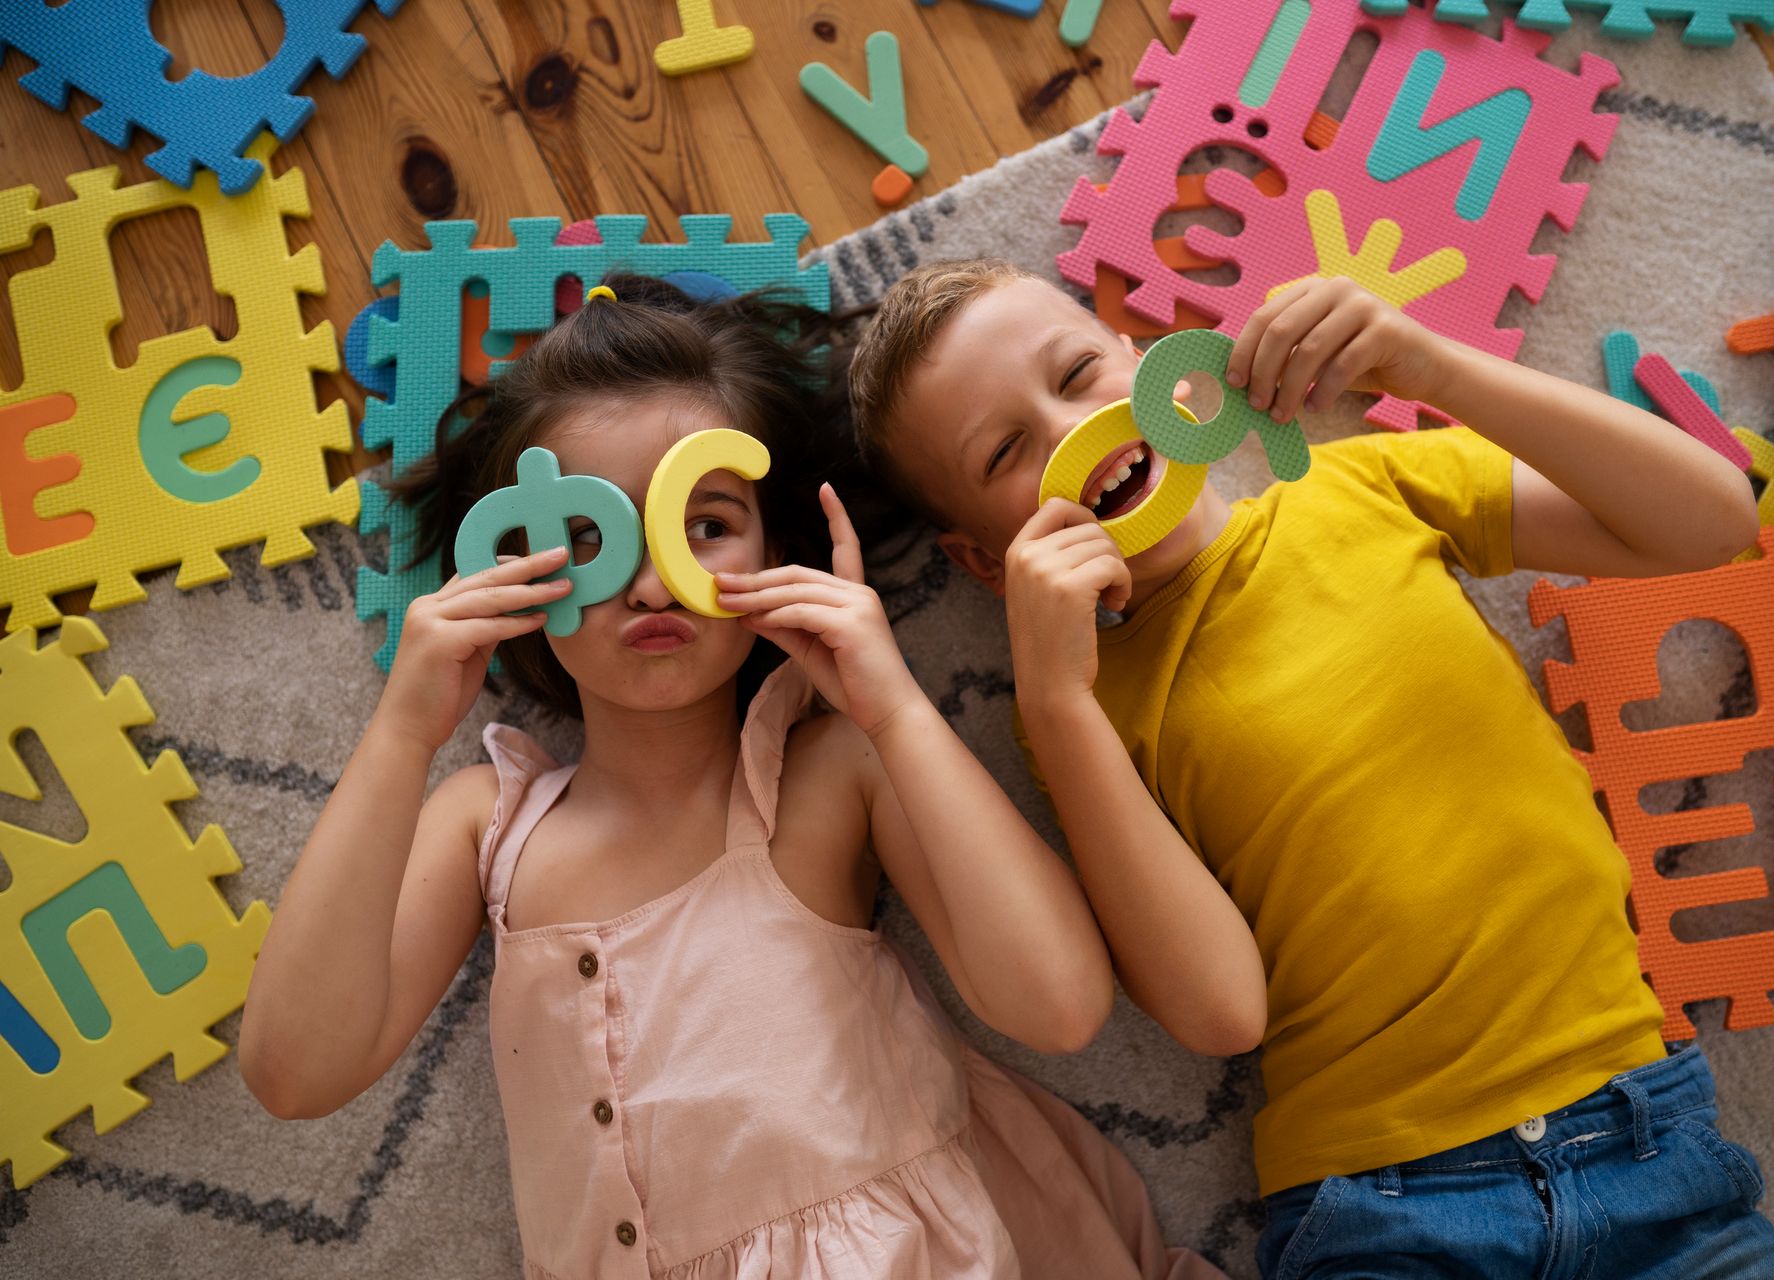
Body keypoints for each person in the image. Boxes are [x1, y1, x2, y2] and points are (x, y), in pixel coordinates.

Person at [240, 274, 1221, 1280]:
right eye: (588, 537)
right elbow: (293, 1071)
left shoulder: (829, 769)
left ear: (780, 553)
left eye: (703, 524)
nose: (652, 580)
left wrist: (891, 700)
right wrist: (404, 729)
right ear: (510, 567)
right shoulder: (487, 820)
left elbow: (1060, 1007)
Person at [847, 258, 1774, 1278]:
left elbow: (1714, 521)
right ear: (984, 563)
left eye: (1078, 372)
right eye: (1005, 450)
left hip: (1645, 1144)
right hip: (1386, 1206)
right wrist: (1056, 699)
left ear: (1150, 358)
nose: (1071, 436)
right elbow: (1221, 1011)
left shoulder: (1365, 483)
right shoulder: (1075, 703)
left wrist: (1434, 365)